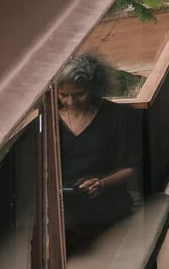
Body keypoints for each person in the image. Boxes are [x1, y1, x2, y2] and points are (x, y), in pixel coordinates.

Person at [53, 51, 138, 250]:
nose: (71, 102)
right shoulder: (49, 119)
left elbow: (131, 167)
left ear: (94, 87)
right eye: (63, 95)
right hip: (64, 204)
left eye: (79, 94)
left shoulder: (116, 116)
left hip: (105, 203)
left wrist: (101, 183)